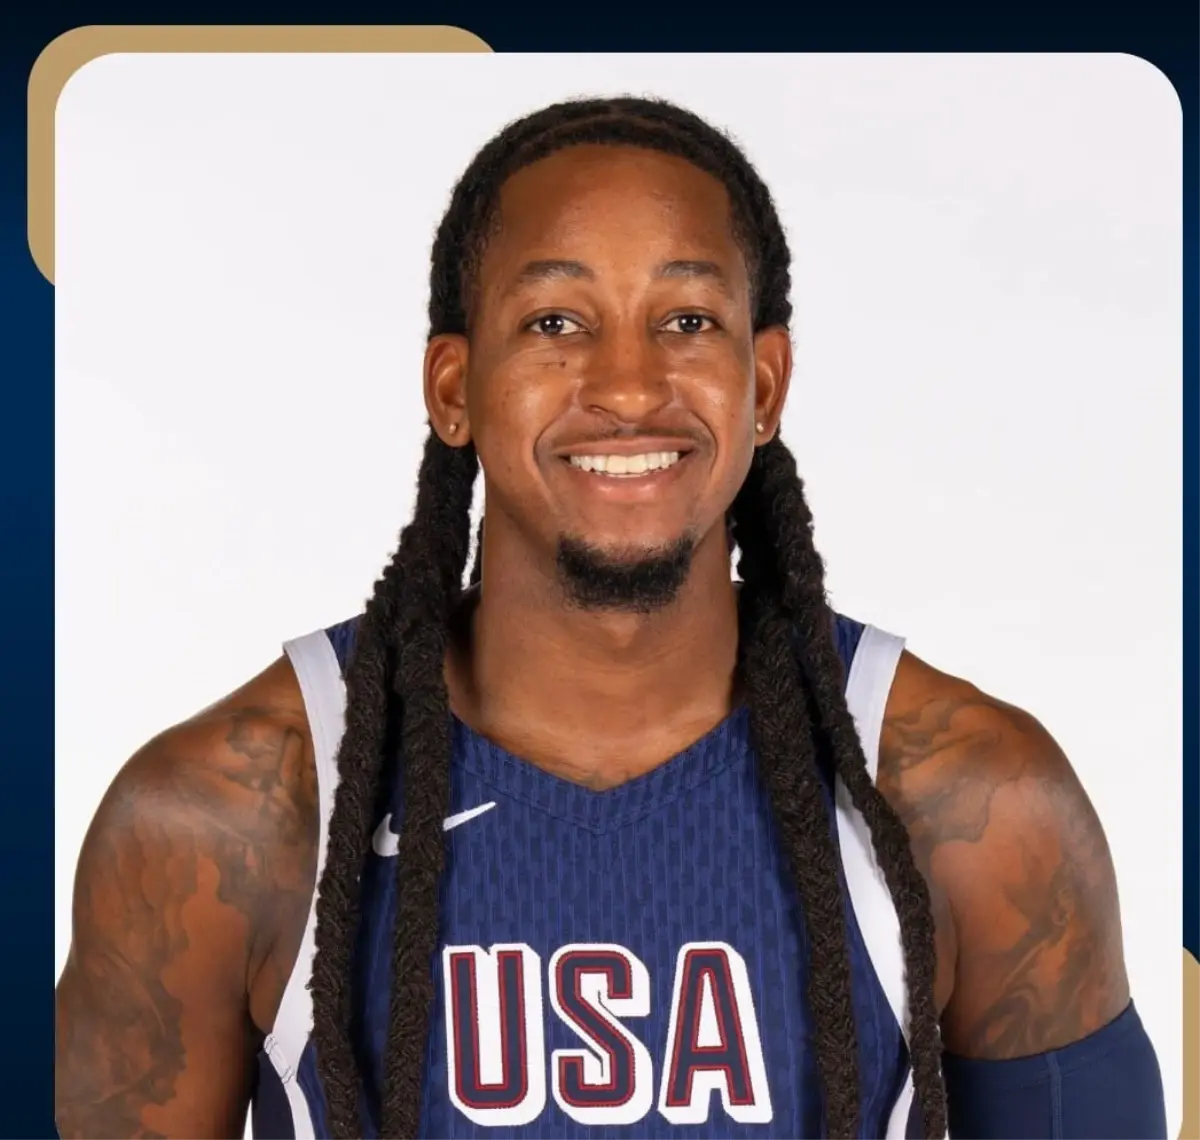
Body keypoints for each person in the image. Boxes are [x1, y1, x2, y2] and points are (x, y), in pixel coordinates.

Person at [54, 95, 1167, 1140]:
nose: (629, 387)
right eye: (555, 321)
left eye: (686, 320)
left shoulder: (975, 807)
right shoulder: (221, 824)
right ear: (453, 388)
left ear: (765, 383)